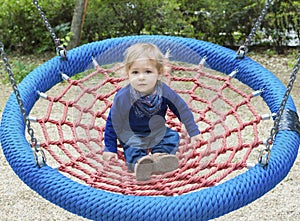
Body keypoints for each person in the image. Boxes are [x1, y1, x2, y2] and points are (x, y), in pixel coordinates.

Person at [103, 43, 202, 181]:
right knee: (132, 147)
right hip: (132, 133)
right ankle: (140, 163)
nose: (141, 77)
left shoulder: (164, 91)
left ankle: (159, 157)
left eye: (148, 72)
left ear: (159, 73)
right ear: (128, 74)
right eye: (135, 72)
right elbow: (113, 122)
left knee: (172, 136)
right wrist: (110, 148)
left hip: (157, 131)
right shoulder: (124, 96)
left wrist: (193, 131)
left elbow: (181, 108)